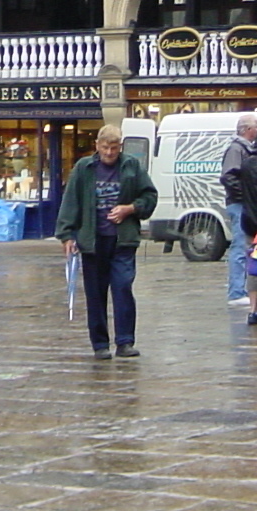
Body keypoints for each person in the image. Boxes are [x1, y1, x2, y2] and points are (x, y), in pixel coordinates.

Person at [55, 124, 158, 359]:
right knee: (95, 293)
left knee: (123, 288)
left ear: (120, 147)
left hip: (123, 241)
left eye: (114, 148)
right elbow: (71, 202)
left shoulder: (131, 166)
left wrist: (130, 208)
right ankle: (100, 344)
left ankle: (125, 342)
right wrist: (67, 235)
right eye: (105, 148)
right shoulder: (84, 168)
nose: (110, 153)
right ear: (97, 146)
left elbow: (150, 196)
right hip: (92, 242)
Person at [219, 116, 257, 309]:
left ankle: (242, 288)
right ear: (248, 129)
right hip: (239, 204)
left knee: (246, 247)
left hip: (242, 203)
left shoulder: (244, 148)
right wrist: (246, 194)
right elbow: (228, 176)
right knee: (240, 247)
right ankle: (236, 291)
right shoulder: (237, 149)